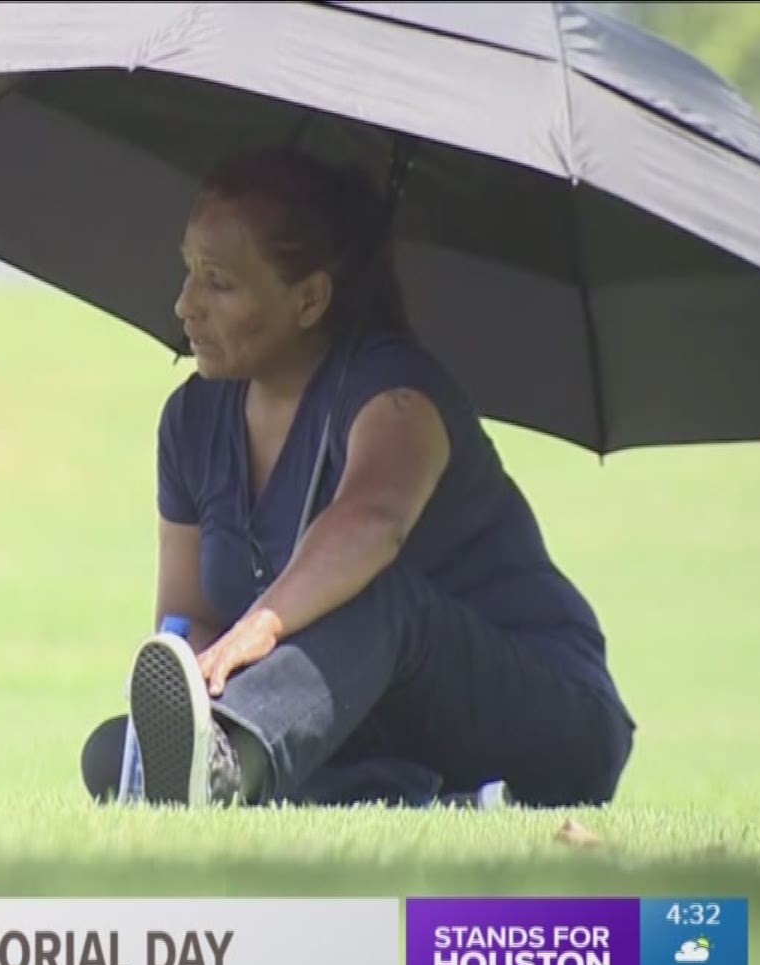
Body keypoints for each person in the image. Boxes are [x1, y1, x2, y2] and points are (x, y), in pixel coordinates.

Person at [81, 147, 635, 810]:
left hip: (548, 717)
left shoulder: (399, 396)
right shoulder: (191, 422)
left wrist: (265, 624)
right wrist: (197, 681)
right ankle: (418, 794)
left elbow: (373, 521)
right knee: (109, 753)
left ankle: (230, 770)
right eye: (188, 272)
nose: (185, 304)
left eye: (218, 283)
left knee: (375, 597)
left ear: (310, 298)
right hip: (370, 723)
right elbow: (190, 619)